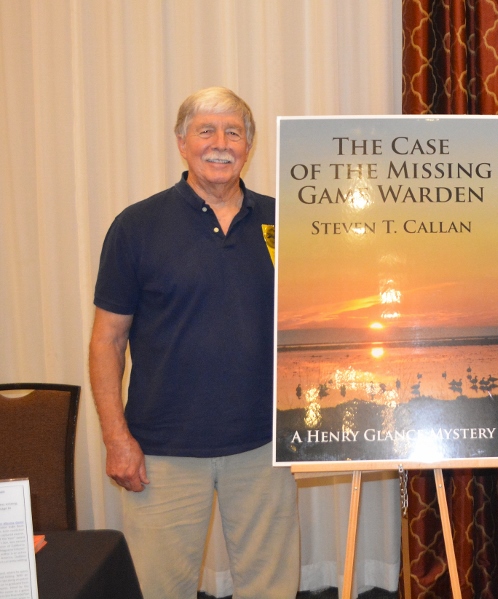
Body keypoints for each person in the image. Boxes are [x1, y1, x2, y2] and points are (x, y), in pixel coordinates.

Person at [89, 87, 299, 599]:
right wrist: (118, 440)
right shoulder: (136, 226)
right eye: (206, 130)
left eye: (234, 131)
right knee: (161, 589)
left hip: (265, 446)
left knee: (271, 589)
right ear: (182, 143)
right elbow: (107, 341)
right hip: (161, 451)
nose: (220, 142)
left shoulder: (287, 221)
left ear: (249, 144)